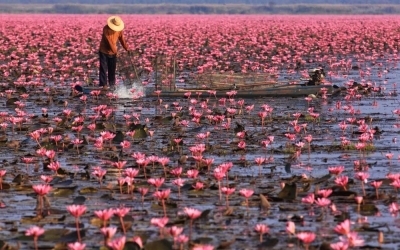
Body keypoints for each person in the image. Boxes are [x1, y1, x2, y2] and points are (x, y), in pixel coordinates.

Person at [99, 16, 129, 89]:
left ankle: (112, 85)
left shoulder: (119, 30)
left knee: (112, 69)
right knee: (103, 68)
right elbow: (109, 42)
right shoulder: (106, 29)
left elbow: (122, 39)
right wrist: (115, 52)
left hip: (113, 52)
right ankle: (104, 85)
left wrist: (127, 48)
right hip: (104, 51)